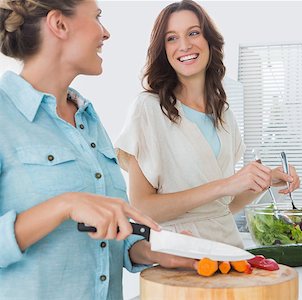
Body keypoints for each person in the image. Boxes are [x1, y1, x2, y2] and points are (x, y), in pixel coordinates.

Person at [0, 0, 196, 299]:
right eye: (97, 17)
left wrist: (150, 251)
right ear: (59, 24)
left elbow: (108, 231)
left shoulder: (87, 118)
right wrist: (63, 206)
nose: (105, 33)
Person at [115, 0, 301, 248]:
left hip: (228, 250)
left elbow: (224, 205)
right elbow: (142, 208)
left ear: (209, 41)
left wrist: (263, 181)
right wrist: (226, 184)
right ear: (163, 49)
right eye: (172, 38)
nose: (184, 45)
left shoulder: (224, 115)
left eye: (193, 33)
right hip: (178, 252)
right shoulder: (148, 109)